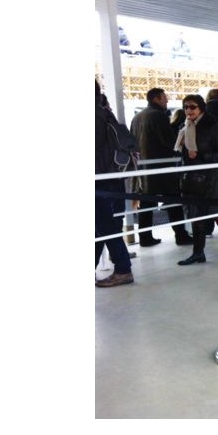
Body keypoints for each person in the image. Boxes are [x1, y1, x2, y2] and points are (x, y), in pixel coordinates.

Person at [174, 94, 218, 264]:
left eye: (193, 107)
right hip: (193, 178)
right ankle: (198, 252)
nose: (188, 110)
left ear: (201, 108)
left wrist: (201, 155)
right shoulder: (184, 126)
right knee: (196, 215)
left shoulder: (212, 124)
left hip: (213, 178)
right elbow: (183, 153)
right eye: (186, 107)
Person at [130, 87, 192, 247]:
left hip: (143, 168)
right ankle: (181, 235)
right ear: (156, 98)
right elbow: (170, 142)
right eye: (164, 97)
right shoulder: (159, 116)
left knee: (147, 203)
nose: (167, 100)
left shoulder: (137, 117)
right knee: (173, 201)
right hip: (162, 166)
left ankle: (145, 237)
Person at [95, 79, 134, 287]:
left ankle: (123, 269)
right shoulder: (103, 111)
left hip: (100, 178)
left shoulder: (94, 115)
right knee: (101, 226)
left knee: (104, 226)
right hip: (109, 176)